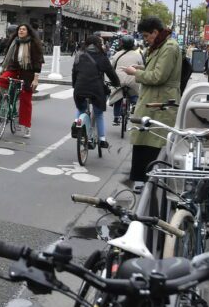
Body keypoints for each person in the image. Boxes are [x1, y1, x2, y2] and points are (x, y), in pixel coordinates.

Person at [123, 16, 181, 192]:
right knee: (143, 139)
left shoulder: (169, 47)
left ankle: (149, 181)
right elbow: (156, 72)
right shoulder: (160, 45)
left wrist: (135, 73)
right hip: (153, 98)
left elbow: (158, 76)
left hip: (160, 100)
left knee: (153, 141)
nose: (146, 39)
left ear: (156, 32)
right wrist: (141, 69)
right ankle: (142, 180)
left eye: (147, 35)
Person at [0, 23, 44, 138]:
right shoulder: (14, 41)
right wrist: (0, 71)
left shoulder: (33, 44)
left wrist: (35, 79)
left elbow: (38, 61)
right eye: (20, 29)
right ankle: (8, 98)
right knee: (2, 80)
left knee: (26, 98)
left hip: (28, 71)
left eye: (24, 29)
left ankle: (26, 126)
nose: (21, 31)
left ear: (28, 32)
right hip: (14, 68)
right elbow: (7, 58)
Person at [71, 35, 120, 149]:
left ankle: (76, 124)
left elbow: (74, 72)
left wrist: (75, 85)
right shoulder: (102, 57)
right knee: (98, 114)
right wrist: (116, 83)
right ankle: (102, 139)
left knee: (81, 108)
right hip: (96, 90)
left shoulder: (79, 55)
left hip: (80, 88)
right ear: (99, 44)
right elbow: (111, 73)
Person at [110, 35, 142, 126]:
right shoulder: (138, 55)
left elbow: (112, 68)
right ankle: (134, 104)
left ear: (122, 44)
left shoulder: (117, 54)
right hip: (133, 79)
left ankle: (116, 118)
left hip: (119, 80)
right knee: (135, 93)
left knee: (118, 96)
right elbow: (142, 67)